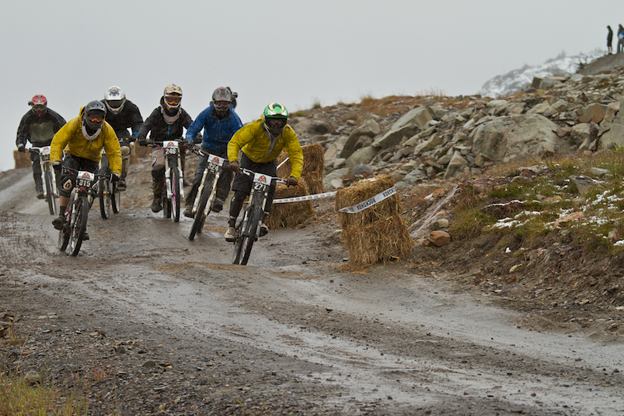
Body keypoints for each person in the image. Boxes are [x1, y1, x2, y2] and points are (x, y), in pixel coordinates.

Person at [223, 102, 302, 242]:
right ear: (266, 120)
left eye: (280, 122)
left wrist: (294, 176)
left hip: (268, 163)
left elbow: (296, 154)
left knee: (271, 188)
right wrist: (233, 160)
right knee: (240, 192)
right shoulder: (255, 127)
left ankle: (262, 221)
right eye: (273, 121)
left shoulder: (288, 133)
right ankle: (231, 225)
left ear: (285, 122)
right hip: (249, 160)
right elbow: (235, 142)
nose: (276, 125)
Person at [50, 101, 122, 238]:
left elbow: (114, 151)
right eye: (92, 117)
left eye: (99, 117)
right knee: (68, 182)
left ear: (103, 118)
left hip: (92, 161)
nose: (95, 120)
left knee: (91, 192)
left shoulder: (107, 129)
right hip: (73, 157)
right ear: (85, 115)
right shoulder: (74, 124)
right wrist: (56, 160)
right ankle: (61, 215)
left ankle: (80, 223)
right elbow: (58, 141)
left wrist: (116, 172)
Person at [184, 86, 243, 218]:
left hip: (226, 150)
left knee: (228, 172)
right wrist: (189, 140)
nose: (221, 106)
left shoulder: (234, 118)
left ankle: (219, 199)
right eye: (219, 103)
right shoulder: (206, 113)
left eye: (225, 103)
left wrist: (242, 151)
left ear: (230, 103)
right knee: (198, 176)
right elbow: (193, 128)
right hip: (207, 149)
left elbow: (240, 136)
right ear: (213, 102)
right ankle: (189, 205)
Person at [137, 84, 193, 213]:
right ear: (164, 99)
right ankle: (157, 197)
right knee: (158, 167)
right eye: (170, 99)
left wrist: (196, 135)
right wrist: (141, 136)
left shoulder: (182, 113)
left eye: (176, 100)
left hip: (176, 142)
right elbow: (147, 124)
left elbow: (191, 124)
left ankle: (180, 175)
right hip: (158, 142)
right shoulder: (157, 112)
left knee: (183, 148)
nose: (173, 103)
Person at [15, 95, 66, 199]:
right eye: (36, 108)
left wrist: (65, 140)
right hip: (36, 145)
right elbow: (21, 132)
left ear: (45, 106)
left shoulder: (53, 115)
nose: (39, 110)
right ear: (32, 106)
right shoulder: (27, 118)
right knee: (36, 165)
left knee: (58, 163)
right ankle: (39, 189)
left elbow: (64, 127)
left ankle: (60, 187)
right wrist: (20, 144)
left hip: (53, 143)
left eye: (41, 108)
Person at [101, 86, 143, 190]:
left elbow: (137, 122)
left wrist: (135, 134)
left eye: (117, 102)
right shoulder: (100, 107)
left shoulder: (131, 107)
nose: (114, 105)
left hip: (122, 132)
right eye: (112, 102)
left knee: (125, 150)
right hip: (104, 132)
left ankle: (121, 177)